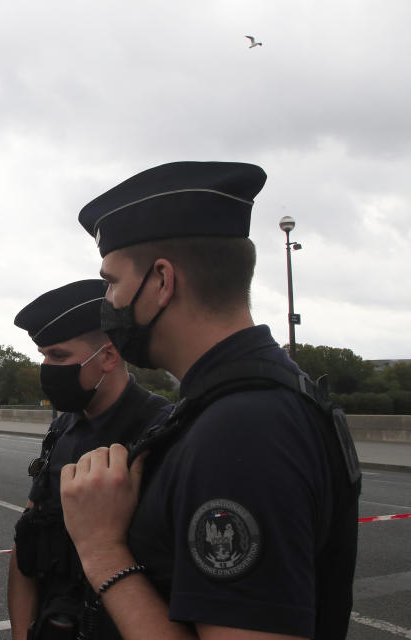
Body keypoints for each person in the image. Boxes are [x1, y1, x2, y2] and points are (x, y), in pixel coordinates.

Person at [59, 161, 361, 639]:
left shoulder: (243, 428)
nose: (109, 303)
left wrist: (101, 551)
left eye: (113, 282)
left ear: (161, 281)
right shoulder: (240, 401)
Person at [8, 279, 171, 640]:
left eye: (59, 356)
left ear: (109, 357)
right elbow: (27, 545)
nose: (48, 368)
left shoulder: (160, 433)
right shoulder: (62, 430)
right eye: (44, 356)